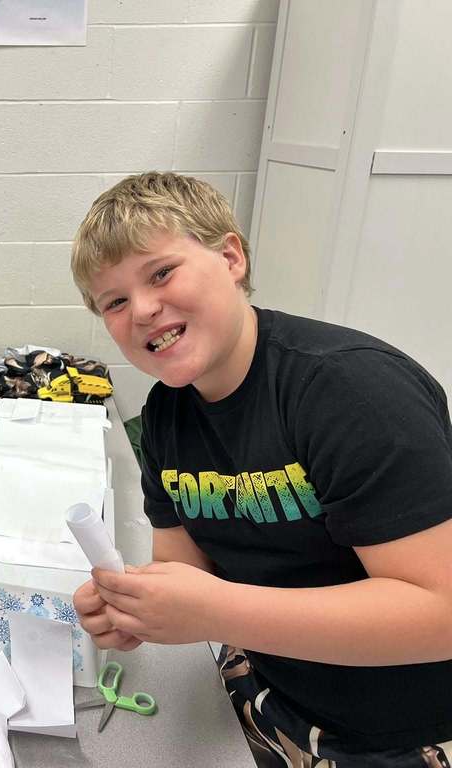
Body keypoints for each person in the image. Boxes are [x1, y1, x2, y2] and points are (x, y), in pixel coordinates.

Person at [69, 172, 452, 765]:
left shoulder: (350, 392)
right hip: (269, 698)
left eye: (161, 273)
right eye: (113, 302)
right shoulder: (167, 414)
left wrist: (214, 611)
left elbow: (440, 613)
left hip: (403, 733)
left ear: (231, 258)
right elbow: (183, 569)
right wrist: (139, 610)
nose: (142, 309)